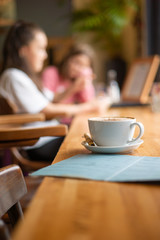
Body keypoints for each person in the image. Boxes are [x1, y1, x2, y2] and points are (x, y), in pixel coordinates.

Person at [0, 20, 110, 163]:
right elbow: (48, 109)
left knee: (94, 138)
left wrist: (76, 88)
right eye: (40, 48)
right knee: (96, 144)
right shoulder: (14, 76)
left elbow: (54, 98)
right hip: (38, 143)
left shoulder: (24, 77)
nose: (45, 55)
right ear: (24, 50)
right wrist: (91, 106)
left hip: (46, 137)